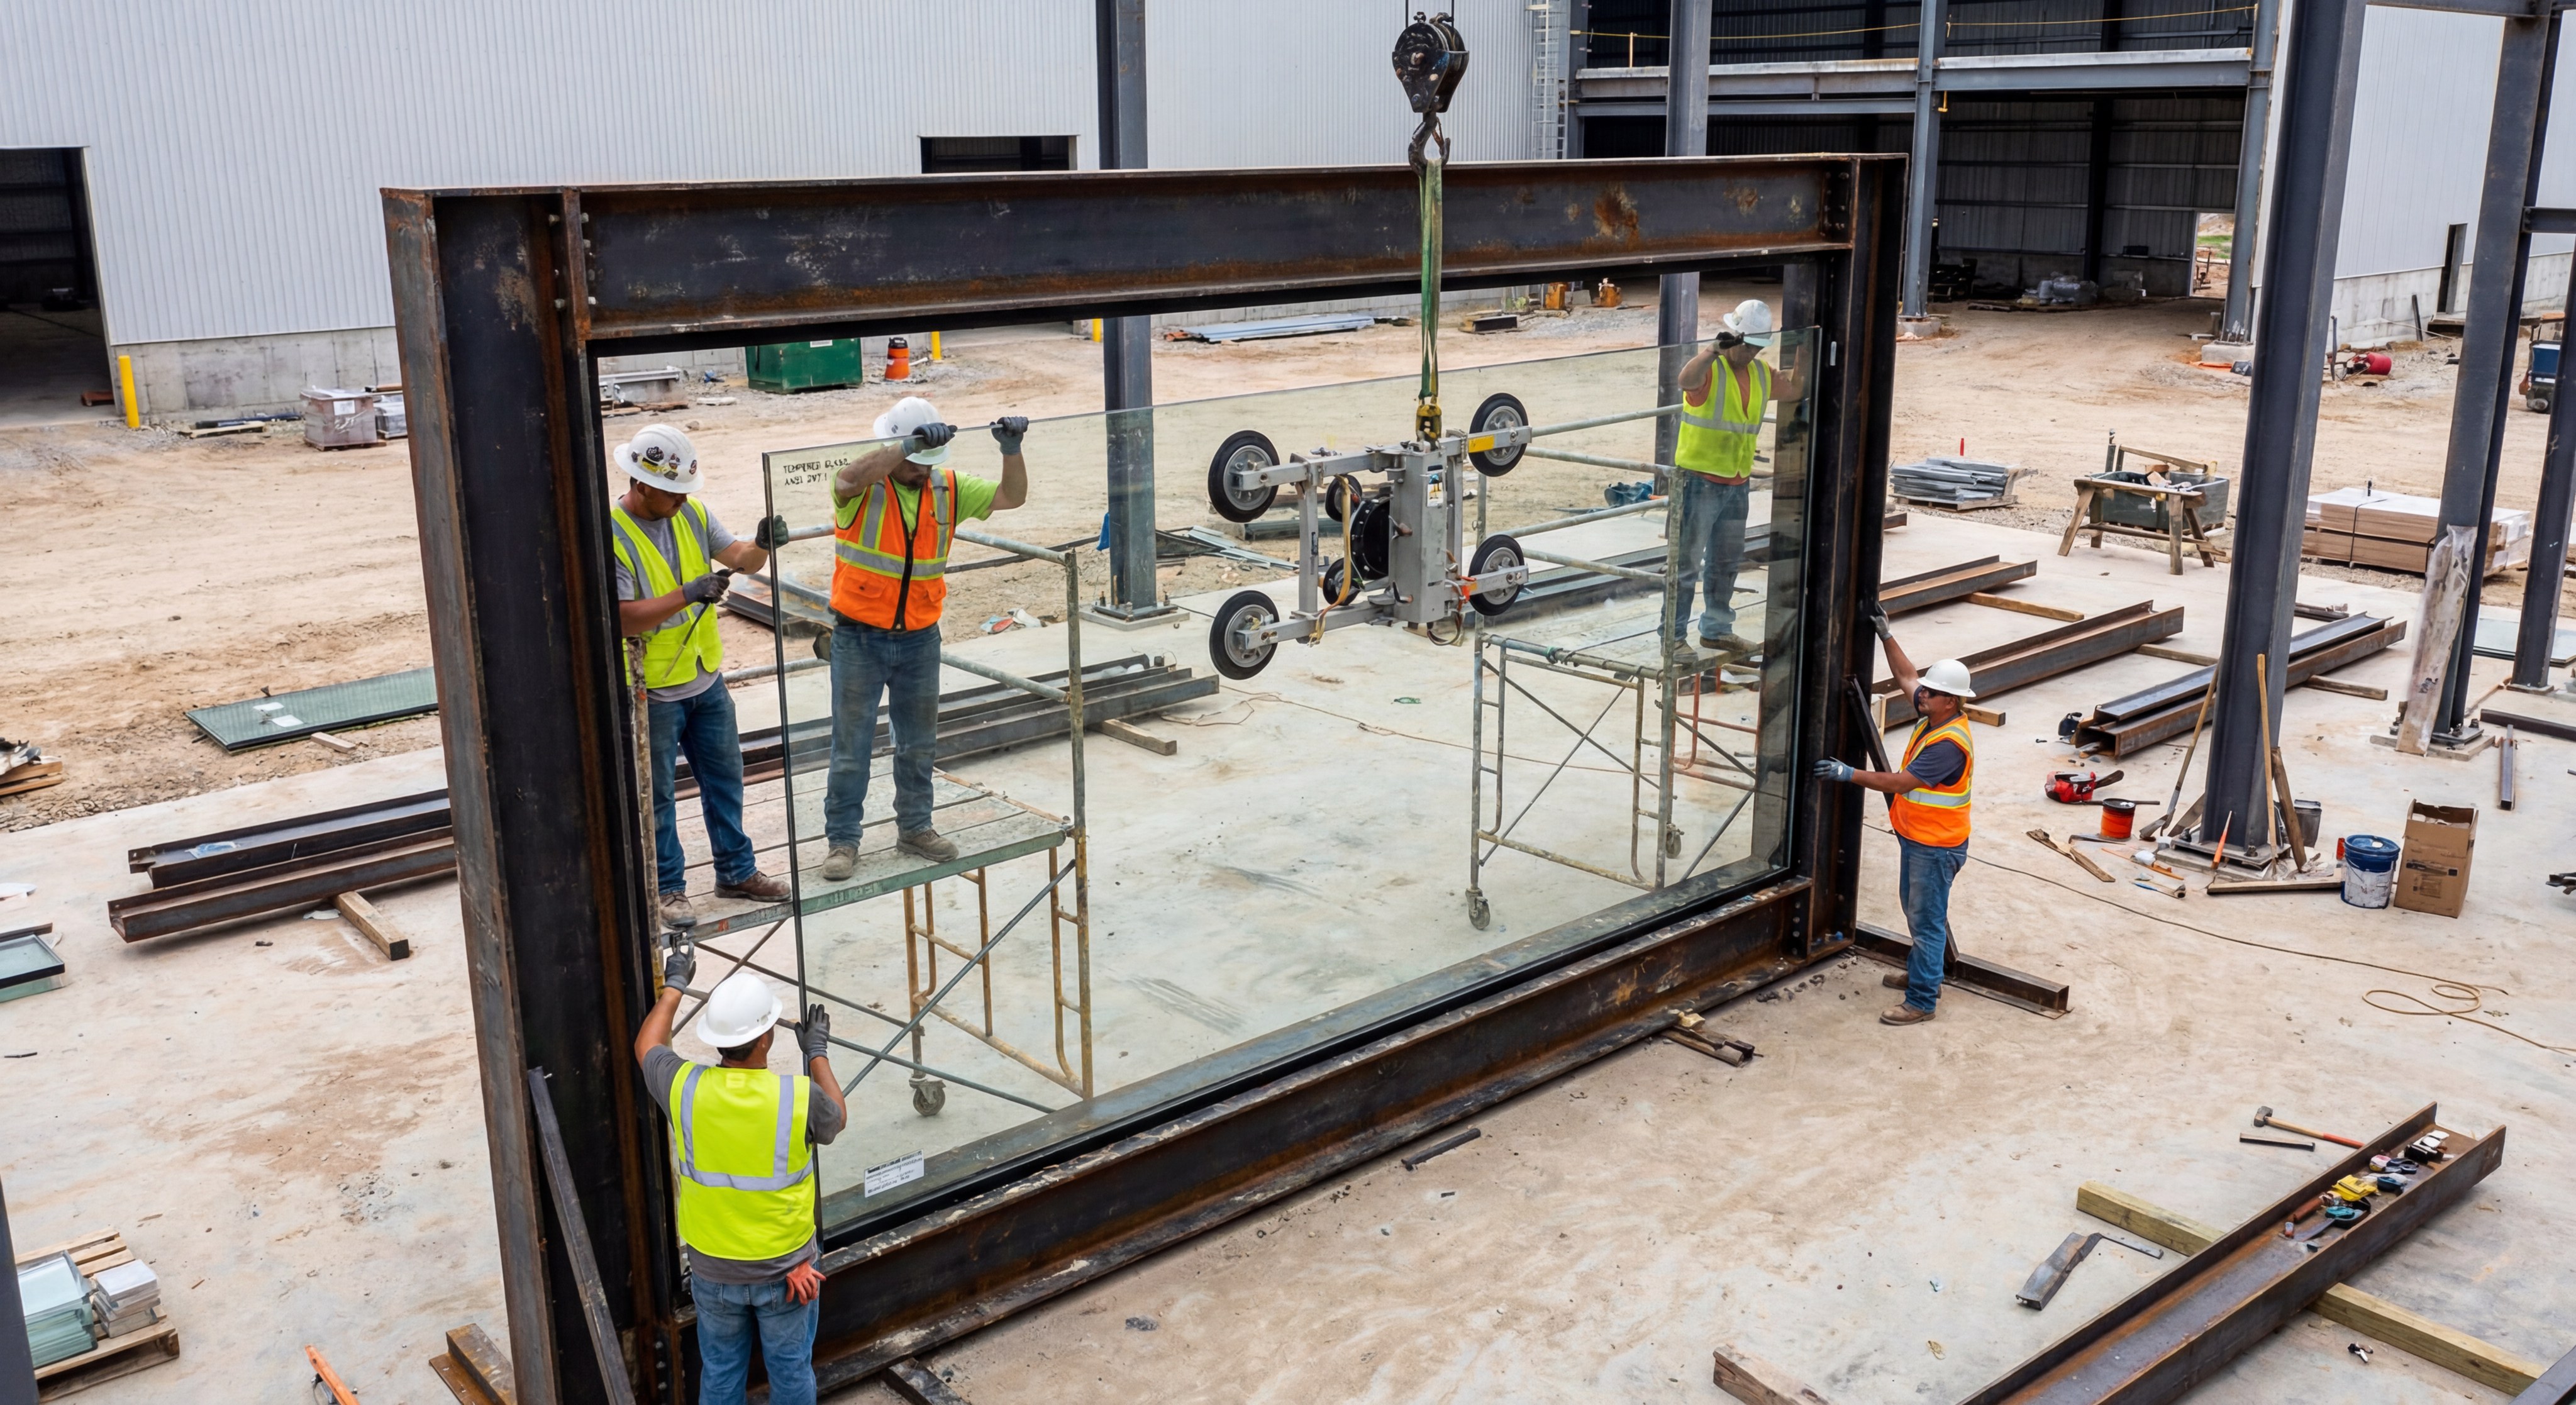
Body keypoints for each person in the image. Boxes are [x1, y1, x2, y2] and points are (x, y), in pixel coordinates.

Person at [819, 397, 1030, 880]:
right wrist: (904, 448)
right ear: (896, 446)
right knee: (851, 747)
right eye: (916, 460)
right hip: (859, 636)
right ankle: (843, 841)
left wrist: (1011, 451)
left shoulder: (947, 487)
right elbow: (846, 479)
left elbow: (1011, 498)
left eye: (929, 461)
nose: (922, 471)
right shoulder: (862, 489)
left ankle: (915, 826)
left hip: (919, 638)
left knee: (917, 744)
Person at [634, 955, 845, 1405]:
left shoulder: (684, 1087)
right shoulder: (797, 1096)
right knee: (790, 1375)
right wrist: (817, 1053)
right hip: (790, 1272)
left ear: (717, 1041)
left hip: (713, 1271)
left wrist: (674, 985)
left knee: (722, 1373)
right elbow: (837, 1117)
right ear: (767, 1038)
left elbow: (647, 1045)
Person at [610, 425, 793, 930]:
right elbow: (624, 617)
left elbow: (740, 559)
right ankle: (668, 889)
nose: (680, 501)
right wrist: (689, 593)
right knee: (659, 795)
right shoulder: (612, 532)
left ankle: (737, 873)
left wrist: (760, 545)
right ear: (641, 484)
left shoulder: (689, 512)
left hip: (703, 677)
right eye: (671, 493)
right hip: (651, 688)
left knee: (725, 780)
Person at [1811, 611, 1975, 1026]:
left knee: (1926, 921)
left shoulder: (1948, 745)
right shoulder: (1937, 715)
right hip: (1922, 839)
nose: (1922, 694)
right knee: (1920, 915)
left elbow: (1900, 782)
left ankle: (1922, 999)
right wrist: (1887, 636)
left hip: (1935, 847)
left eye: (1932, 692)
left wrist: (1848, 773)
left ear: (1950, 700)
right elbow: (1906, 676)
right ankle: (1926, 974)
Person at [1670, 298, 1797, 656]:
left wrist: (1806, 352)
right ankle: (1674, 638)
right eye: (1748, 346)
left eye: (1759, 348)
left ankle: (1716, 629)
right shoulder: (1710, 369)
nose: (1752, 354)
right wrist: (1712, 350)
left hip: (1736, 482)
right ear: (1734, 339)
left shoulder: (1760, 373)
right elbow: (1685, 379)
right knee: (1685, 565)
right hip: (1699, 481)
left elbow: (1795, 389)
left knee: (1726, 562)